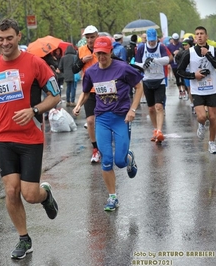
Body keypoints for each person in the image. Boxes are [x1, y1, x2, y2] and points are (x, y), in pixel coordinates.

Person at [0, 18, 60, 260]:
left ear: (18, 37)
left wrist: (34, 110)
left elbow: (55, 96)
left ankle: (45, 195)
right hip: (4, 137)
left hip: (31, 138)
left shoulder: (35, 63)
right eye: (0, 39)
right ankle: (24, 239)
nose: (5, 43)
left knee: (30, 194)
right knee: (11, 191)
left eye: (9, 38)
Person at [72, 36, 142, 211]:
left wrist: (132, 110)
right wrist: (79, 104)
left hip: (121, 118)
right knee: (107, 160)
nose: (101, 57)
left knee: (119, 161)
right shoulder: (91, 72)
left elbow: (139, 86)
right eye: (98, 53)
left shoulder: (123, 68)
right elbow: (86, 91)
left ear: (111, 52)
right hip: (102, 118)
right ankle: (112, 197)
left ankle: (128, 157)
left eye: (104, 53)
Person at [177, 26, 216, 154]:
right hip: (197, 90)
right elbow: (180, 71)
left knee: (213, 117)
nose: (199, 36)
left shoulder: (213, 50)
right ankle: (201, 124)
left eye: (202, 34)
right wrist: (194, 76)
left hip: (212, 88)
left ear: (206, 36)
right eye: (197, 34)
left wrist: (208, 54)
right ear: (195, 38)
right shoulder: (189, 52)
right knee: (202, 116)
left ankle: (211, 142)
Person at [135, 28, 170, 144]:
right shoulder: (141, 48)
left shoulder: (161, 47)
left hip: (160, 80)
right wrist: (144, 65)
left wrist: (155, 60)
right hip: (147, 80)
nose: (151, 43)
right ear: (146, 40)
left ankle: (160, 131)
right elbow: (136, 63)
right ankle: (155, 129)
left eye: (153, 40)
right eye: (149, 41)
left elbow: (167, 60)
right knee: (151, 108)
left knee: (159, 106)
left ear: (156, 38)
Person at [77, 25, 101, 163]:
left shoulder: (103, 48)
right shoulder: (81, 50)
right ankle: (95, 149)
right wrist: (81, 62)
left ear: (97, 36)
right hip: (89, 91)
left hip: (104, 91)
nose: (90, 40)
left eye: (92, 37)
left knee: (105, 121)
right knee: (90, 121)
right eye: (87, 37)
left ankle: (106, 145)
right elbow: (74, 68)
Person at [167, 33, 185, 99]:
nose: (176, 41)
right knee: (177, 78)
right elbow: (168, 55)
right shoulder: (169, 46)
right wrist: (173, 54)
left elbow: (185, 52)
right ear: (172, 39)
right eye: (175, 40)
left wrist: (180, 51)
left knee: (182, 77)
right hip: (174, 64)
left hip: (181, 64)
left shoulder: (181, 44)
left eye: (177, 40)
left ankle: (184, 91)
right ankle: (180, 91)